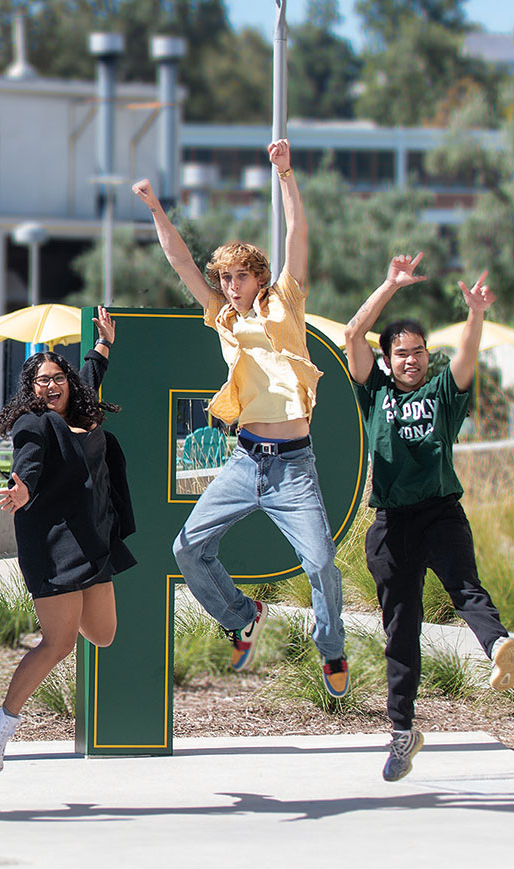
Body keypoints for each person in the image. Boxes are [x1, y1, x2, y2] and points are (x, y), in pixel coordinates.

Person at [133, 139, 351, 697]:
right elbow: (180, 261)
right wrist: (158, 210)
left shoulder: (287, 303)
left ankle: (331, 650)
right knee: (187, 548)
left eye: (238, 279)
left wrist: (285, 176)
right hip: (245, 458)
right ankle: (240, 615)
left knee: (321, 562)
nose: (230, 288)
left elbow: (297, 236)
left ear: (257, 277)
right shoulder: (221, 317)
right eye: (224, 280)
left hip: (294, 468)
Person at [342, 255, 514, 781]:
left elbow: (467, 356)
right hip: (391, 526)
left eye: (419, 353)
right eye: (402, 354)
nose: (412, 361)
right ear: (388, 360)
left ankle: (498, 648)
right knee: (401, 631)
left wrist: (475, 315)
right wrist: (390, 283)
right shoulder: (373, 392)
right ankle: (403, 732)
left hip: (441, 513)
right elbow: (355, 334)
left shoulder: (443, 392)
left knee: (465, 588)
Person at [0, 311, 131, 771]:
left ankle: (62, 615)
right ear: (31, 390)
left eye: (57, 377)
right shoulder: (34, 424)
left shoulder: (81, 410)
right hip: (55, 545)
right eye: (40, 381)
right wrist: (22, 485)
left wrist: (102, 346)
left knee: (102, 635)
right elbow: (28, 458)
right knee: (59, 642)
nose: (50, 386)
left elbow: (89, 376)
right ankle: (2, 718)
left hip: (94, 539)